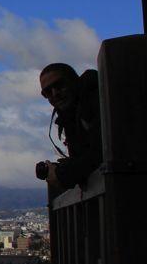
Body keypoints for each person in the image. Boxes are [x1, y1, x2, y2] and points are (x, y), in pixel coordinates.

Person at [36, 62, 103, 191]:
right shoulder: (70, 116)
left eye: (59, 85)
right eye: (48, 92)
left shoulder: (96, 102)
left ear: (74, 81)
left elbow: (102, 152)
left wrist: (63, 174)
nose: (55, 93)